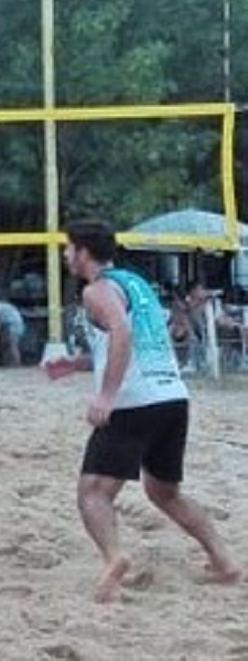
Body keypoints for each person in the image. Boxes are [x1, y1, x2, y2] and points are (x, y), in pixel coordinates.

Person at [45, 218, 242, 603]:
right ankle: (224, 561)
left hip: (134, 402)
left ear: (83, 252)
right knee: (165, 492)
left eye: (68, 248)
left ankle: (115, 557)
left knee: (92, 494)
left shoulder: (97, 290)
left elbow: (122, 333)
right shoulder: (135, 284)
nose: (66, 254)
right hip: (172, 396)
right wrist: (78, 363)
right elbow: (138, 339)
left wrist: (106, 396)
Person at [0, 299, 26, 366]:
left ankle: (16, 363)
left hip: (13, 328)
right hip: (18, 326)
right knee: (9, 345)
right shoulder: (7, 307)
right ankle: (9, 362)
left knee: (12, 345)